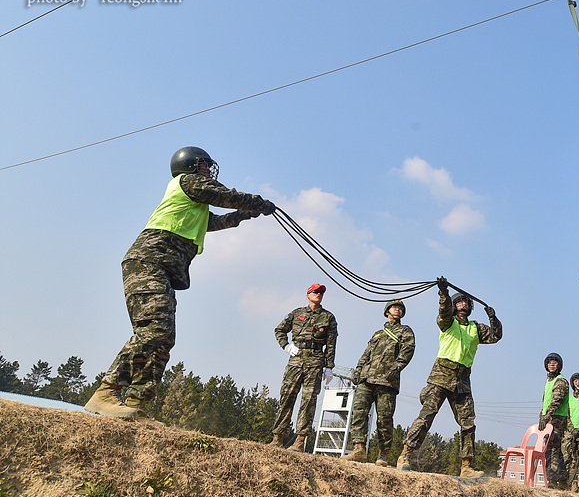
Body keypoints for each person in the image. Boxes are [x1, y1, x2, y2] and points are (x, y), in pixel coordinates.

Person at [84, 146, 275, 419]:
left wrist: (245, 214)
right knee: (155, 329)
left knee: (163, 337)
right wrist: (257, 202)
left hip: (159, 267)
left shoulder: (194, 201)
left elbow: (214, 222)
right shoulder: (187, 182)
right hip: (147, 262)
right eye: (204, 165)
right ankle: (106, 392)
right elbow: (223, 196)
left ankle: (135, 403)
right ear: (189, 167)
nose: (208, 170)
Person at [397, 277, 501, 478]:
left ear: (470, 306)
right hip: (441, 376)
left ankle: (466, 466)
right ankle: (405, 455)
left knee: (468, 423)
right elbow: (443, 311)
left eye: (466, 302)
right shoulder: (448, 322)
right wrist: (443, 293)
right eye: (459, 301)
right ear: (454, 306)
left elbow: (496, 336)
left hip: (462, 380)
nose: (463, 304)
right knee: (427, 416)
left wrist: (493, 318)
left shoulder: (476, 328)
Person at [341, 299, 416, 466]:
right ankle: (359, 449)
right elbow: (365, 354)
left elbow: (407, 352)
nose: (397, 310)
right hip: (366, 379)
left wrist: (394, 370)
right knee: (359, 413)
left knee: (384, 420)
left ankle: (383, 454)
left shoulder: (405, 331)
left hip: (387, 382)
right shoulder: (377, 334)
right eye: (394, 307)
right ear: (387, 311)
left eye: (400, 308)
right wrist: (358, 370)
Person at [271, 283, 338, 452]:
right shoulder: (296, 313)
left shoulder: (328, 317)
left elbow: (331, 344)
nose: (318, 294)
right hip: (296, 358)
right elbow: (279, 330)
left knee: (308, 401)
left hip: (315, 360)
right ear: (308, 294)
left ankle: (300, 441)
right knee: (287, 397)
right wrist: (286, 346)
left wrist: (329, 367)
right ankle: (278, 437)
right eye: (315, 292)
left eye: (321, 293)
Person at [539, 353, 569, 490]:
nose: (552, 364)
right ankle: (562, 480)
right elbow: (546, 403)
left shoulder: (560, 381)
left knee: (553, 450)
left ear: (559, 365)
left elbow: (556, 401)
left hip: (556, 419)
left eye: (555, 362)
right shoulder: (548, 381)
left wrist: (546, 417)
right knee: (551, 449)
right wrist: (542, 416)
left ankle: (552, 480)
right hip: (548, 418)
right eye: (549, 362)